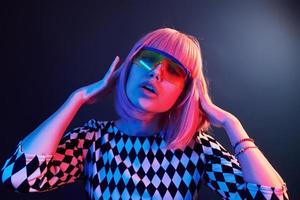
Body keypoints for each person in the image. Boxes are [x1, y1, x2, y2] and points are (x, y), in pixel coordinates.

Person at [0, 27, 289, 200]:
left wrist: (231, 124)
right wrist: (75, 100)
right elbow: (17, 178)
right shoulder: (94, 139)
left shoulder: (196, 149)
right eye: (148, 59)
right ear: (128, 67)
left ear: (185, 93)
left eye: (174, 71)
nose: (156, 72)